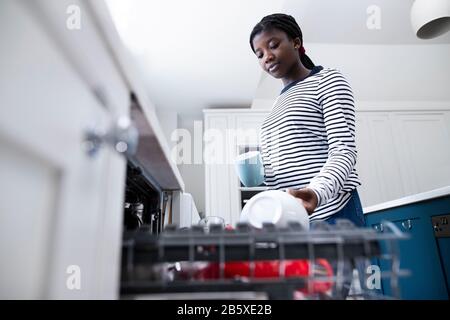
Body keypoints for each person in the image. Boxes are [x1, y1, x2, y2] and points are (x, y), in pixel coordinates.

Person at [249, 13, 365, 227]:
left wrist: (315, 192)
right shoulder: (277, 105)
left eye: (273, 45)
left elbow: (344, 150)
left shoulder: (327, 80)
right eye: (259, 54)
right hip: (292, 220)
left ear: (296, 42)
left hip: (332, 213)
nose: (267, 56)